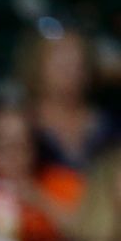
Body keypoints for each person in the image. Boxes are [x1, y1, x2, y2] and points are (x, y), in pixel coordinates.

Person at [0, 103, 83, 241]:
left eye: (21, 145)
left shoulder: (62, 182)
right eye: (4, 146)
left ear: (34, 148)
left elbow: (86, 232)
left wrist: (40, 200)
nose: (13, 156)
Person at [19, 27, 115, 173]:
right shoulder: (21, 124)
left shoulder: (108, 126)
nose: (69, 70)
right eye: (60, 62)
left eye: (76, 62)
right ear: (38, 65)